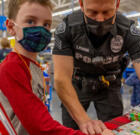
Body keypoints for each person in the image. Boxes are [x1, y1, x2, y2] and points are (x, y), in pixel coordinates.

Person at [53, 0, 140, 134]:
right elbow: (61, 79)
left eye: (107, 12)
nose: (100, 19)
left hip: (109, 85)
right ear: (81, 4)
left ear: (117, 4)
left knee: (114, 128)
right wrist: (84, 121)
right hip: (76, 86)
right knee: (71, 129)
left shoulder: (129, 31)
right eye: (93, 12)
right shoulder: (67, 28)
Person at [0, 0, 113, 135]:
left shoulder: (33, 65)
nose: (41, 29)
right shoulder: (12, 68)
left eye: (46, 24)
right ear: (11, 26)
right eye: (30, 21)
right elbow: (41, 127)